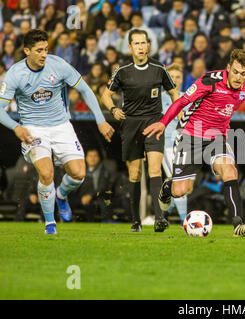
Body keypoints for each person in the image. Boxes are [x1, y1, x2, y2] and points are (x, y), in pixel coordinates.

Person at [143, 49, 245, 237]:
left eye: (243, 74)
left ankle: (238, 224)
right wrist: (163, 122)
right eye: (236, 72)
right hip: (190, 136)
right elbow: (181, 102)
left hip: (217, 137)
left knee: (230, 171)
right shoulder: (209, 81)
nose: (239, 78)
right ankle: (168, 187)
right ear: (229, 68)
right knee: (180, 190)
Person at [0, 29, 115, 235]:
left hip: (61, 125)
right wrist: (16, 127)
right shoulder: (15, 74)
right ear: (27, 51)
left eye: (46, 49)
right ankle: (50, 223)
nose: (44, 54)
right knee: (46, 173)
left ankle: (61, 195)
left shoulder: (58, 65)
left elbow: (86, 90)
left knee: (79, 174)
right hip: (33, 129)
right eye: (38, 50)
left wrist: (100, 120)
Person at [101, 29, 179, 233]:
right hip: (130, 124)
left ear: (148, 46)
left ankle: (159, 218)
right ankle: (135, 220)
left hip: (153, 122)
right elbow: (105, 95)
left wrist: (177, 115)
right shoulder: (122, 70)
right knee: (134, 173)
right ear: (130, 47)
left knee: (154, 169)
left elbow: (173, 92)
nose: (141, 47)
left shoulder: (159, 69)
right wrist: (113, 109)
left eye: (144, 43)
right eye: (136, 44)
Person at [161, 63, 189, 224]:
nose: (175, 80)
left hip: (186, 146)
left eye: (178, 77)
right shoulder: (160, 98)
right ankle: (186, 221)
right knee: (179, 181)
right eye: (172, 77)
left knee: (180, 185)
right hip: (167, 145)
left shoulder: (189, 98)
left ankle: (163, 216)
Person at [71, 148, 114, 222]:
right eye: (90, 156)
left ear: (99, 158)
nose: (92, 159)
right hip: (80, 197)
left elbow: (102, 187)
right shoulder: (80, 171)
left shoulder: (104, 171)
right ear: (86, 158)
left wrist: (90, 196)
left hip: (96, 197)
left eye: (95, 156)